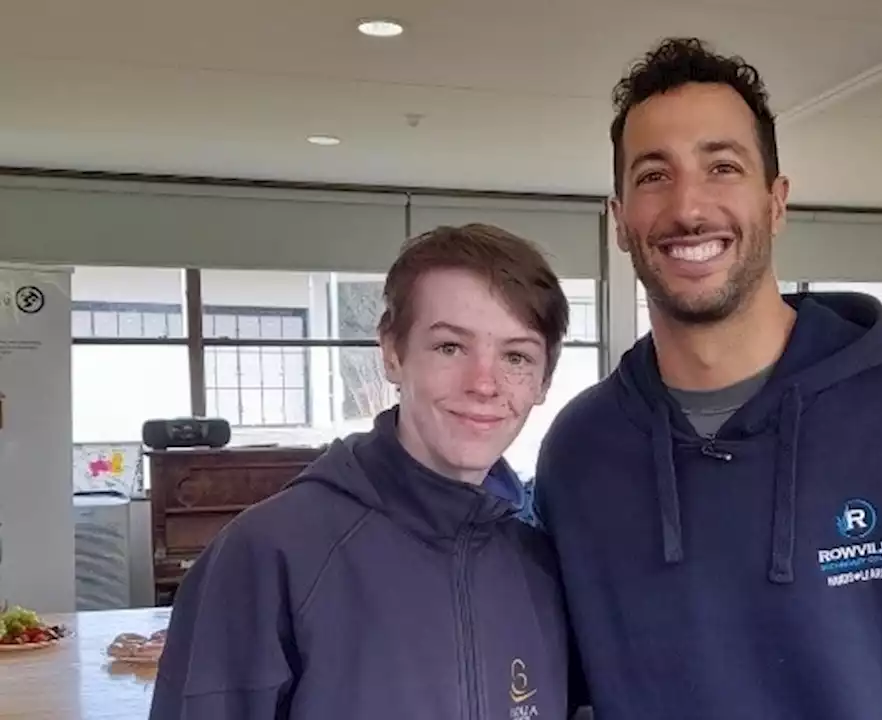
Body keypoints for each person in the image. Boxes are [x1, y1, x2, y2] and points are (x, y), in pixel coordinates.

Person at [533, 36, 882, 719]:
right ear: (619, 221)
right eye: (654, 175)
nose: (688, 207)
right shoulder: (581, 451)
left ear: (776, 201)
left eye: (723, 167)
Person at [151, 224, 582, 720]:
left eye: (516, 356)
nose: (484, 384)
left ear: (544, 380)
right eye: (449, 347)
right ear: (393, 353)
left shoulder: (540, 563)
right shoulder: (268, 555)